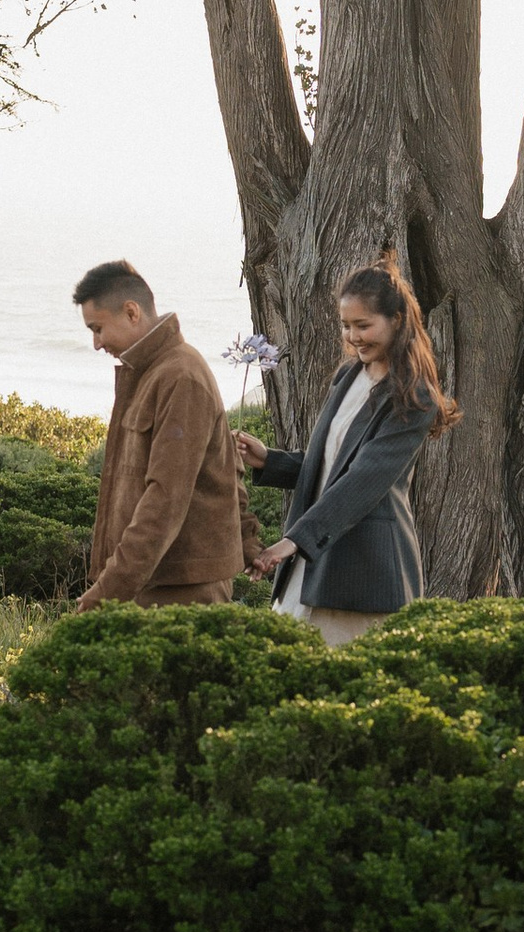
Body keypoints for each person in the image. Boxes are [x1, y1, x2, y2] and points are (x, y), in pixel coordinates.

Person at [235, 257, 457, 646]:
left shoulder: (414, 397)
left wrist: (293, 541)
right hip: (313, 559)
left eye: (364, 325)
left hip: (362, 573)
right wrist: (270, 460)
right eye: (346, 325)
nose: (354, 336)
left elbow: (362, 482)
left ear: (398, 321)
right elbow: (330, 466)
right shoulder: (349, 375)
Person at [72, 259, 252, 610]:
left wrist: (108, 591)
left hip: (182, 589)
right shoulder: (150, 372)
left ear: (131, 311)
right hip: (154, 581)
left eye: (97, 329)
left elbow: (164, 498)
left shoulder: (180, 376)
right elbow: (229, 469)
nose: (96, 343)